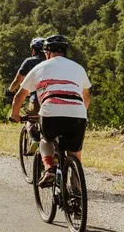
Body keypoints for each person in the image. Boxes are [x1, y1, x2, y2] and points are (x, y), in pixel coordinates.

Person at [10, 34, 91, 188]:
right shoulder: (78, 67)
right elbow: (86, 96)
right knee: (75, 154)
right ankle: (77, 194)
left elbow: (20, 96)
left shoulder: (39, 67)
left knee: (46, 139)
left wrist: (15, 115)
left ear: (46, 52)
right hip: (78, 114)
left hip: (51, 112)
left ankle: (49, 169)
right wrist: (79, 114)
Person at [5, 37, 47, 139]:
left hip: (36, 99)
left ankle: (33, 140)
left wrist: (10, 91)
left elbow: (17, 80)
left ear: (34, 50)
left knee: (30, 119)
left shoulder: (29, 62)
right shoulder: (52, 62)